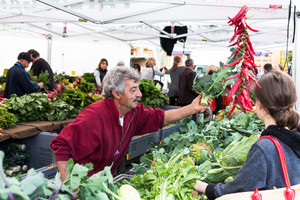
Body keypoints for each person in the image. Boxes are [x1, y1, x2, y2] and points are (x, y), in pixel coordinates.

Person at [51, 67, 211, 181]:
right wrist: (69, 186)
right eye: (133, 90)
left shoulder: (133, 113)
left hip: (99, 182)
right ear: (116, 93)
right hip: (76, 183)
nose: (139, 94)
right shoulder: (94, 116)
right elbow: (61, 144)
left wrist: (192, 108)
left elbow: (161, 118)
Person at [193, 71, 300, 200]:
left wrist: (203, 186)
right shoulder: (293, 137)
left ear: (259, 105)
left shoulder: (265, 148)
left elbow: (235, 192)